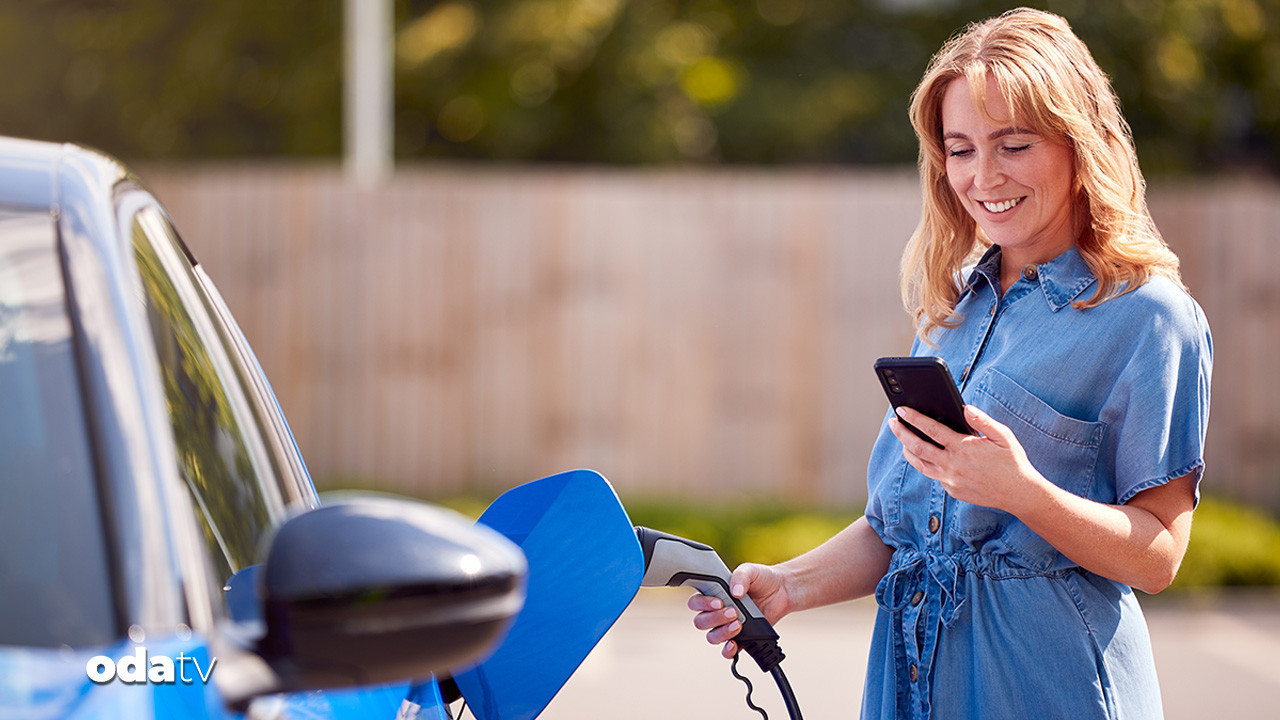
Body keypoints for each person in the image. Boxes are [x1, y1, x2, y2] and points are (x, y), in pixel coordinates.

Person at [689, 8, 1212, 719]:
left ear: (1078, 144)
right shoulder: (951, 314)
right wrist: (789, 586)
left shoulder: (1148, 316)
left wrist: (1023, 491)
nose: (983, 175)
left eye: (1014, 144)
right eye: (960, 149)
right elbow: (898, 528)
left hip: (1049, 691)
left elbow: (1158, 556)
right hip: (911, 687)